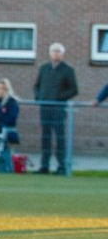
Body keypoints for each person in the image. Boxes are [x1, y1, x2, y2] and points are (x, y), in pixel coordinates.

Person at [33, 43, 78, 175]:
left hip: (58, 108)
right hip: (45, 107)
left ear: (62, 54)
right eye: (53, 51)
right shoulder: (44, 68)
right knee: (45, 136)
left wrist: (59, 98)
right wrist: (39, 97)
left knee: (59, 137)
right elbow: (37, 85)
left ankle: (61, 166)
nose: (56, 53)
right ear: (49, 53)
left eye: (58, 51)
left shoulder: (68, 70)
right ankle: (44, 165)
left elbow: (74, 89)